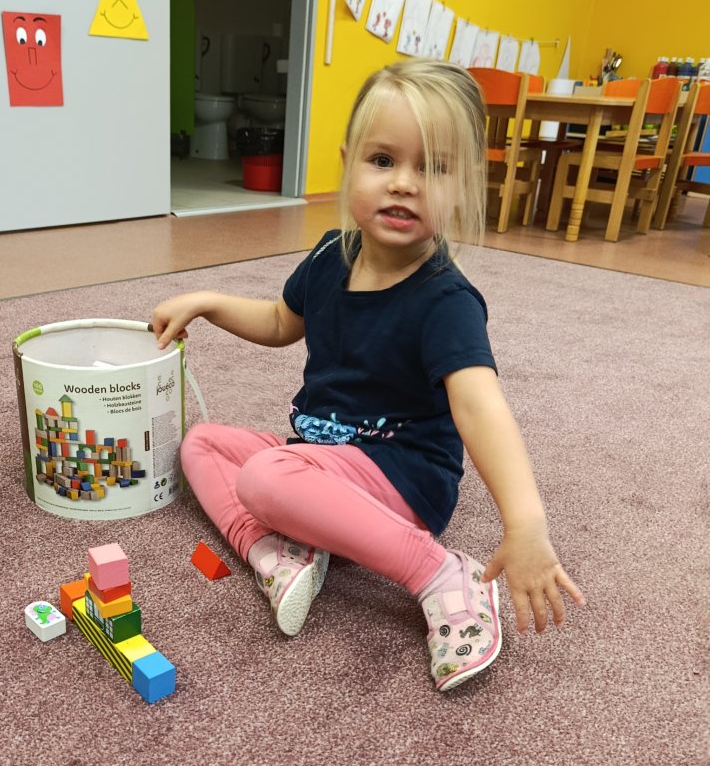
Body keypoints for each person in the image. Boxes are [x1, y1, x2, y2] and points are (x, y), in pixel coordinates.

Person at [152, 59, 584, 691]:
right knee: (203, 442)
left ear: (466, 186)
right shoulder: (331, 254)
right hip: (322, 459)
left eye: (433, 168)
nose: (403, 183)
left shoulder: (445, 300)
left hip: (403, 478)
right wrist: (209, 302)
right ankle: (273, 552)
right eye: (383, 160)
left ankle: (440, 573)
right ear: (348, 162)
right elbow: (280, 321)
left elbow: (481, 408)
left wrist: (525, 524)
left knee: (265, 475)